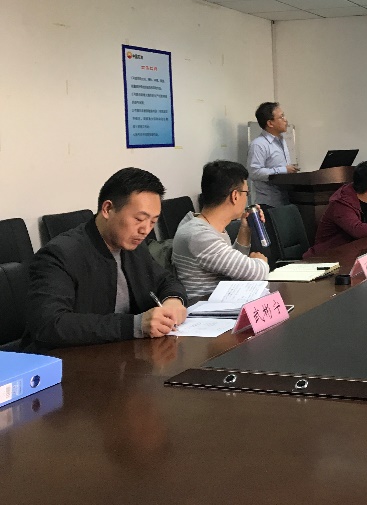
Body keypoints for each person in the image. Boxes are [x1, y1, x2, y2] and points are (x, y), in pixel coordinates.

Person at [23, 168, 188, 352]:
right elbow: (49, 324)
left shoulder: (134, 247)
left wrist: (173, 301)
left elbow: (166, 280)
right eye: (139, 219)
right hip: (70, 360)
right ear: (107, 209)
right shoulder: (59, 254)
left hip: (125, 354)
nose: (145, 230)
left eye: (153, 221)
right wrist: (134, 325)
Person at [172, 161, 269, 299]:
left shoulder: (205, 225)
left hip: (223, 300)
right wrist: (260, 261)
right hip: (206, 306)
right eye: (246, 193)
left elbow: (231, 266)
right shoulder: (199, 235)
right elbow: (256, 273)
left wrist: (245, 229)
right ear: (235, 196)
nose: (246, 199)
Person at [247, 101, 299, 208]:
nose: (285, 120)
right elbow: (254, 172)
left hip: (284, 201)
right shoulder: (259, 144)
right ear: (270, 123)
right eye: (281, 117)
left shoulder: (282, 141)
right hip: (268, 204)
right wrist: (284, 170)